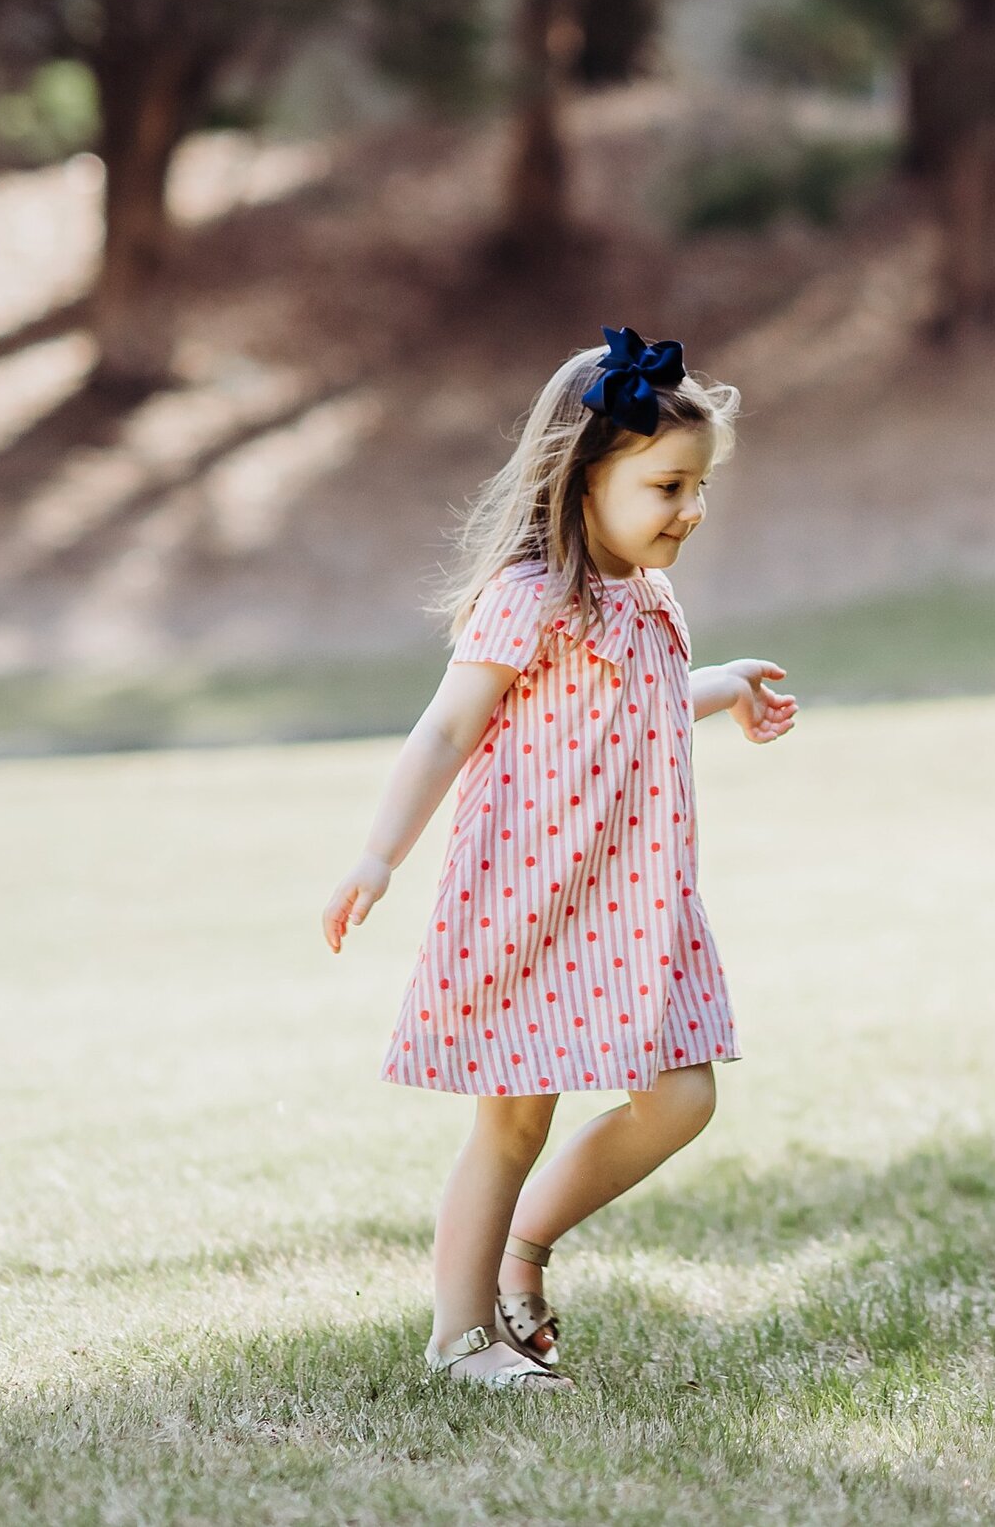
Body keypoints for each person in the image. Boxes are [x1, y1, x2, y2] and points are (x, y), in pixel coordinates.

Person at [321, 326, 799, 1390]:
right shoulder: (526, 597)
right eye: (667, 484)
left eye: (699, 485)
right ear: (585, 482)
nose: (691, 508)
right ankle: (458, 1337)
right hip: (531, 897)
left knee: (680, 1098)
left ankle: (522, 1251)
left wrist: (724, 686)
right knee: (513, 1116)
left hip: (634, 899)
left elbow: (640, 708)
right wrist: (375, 857)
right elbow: (445, 730)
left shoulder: (648, 601)